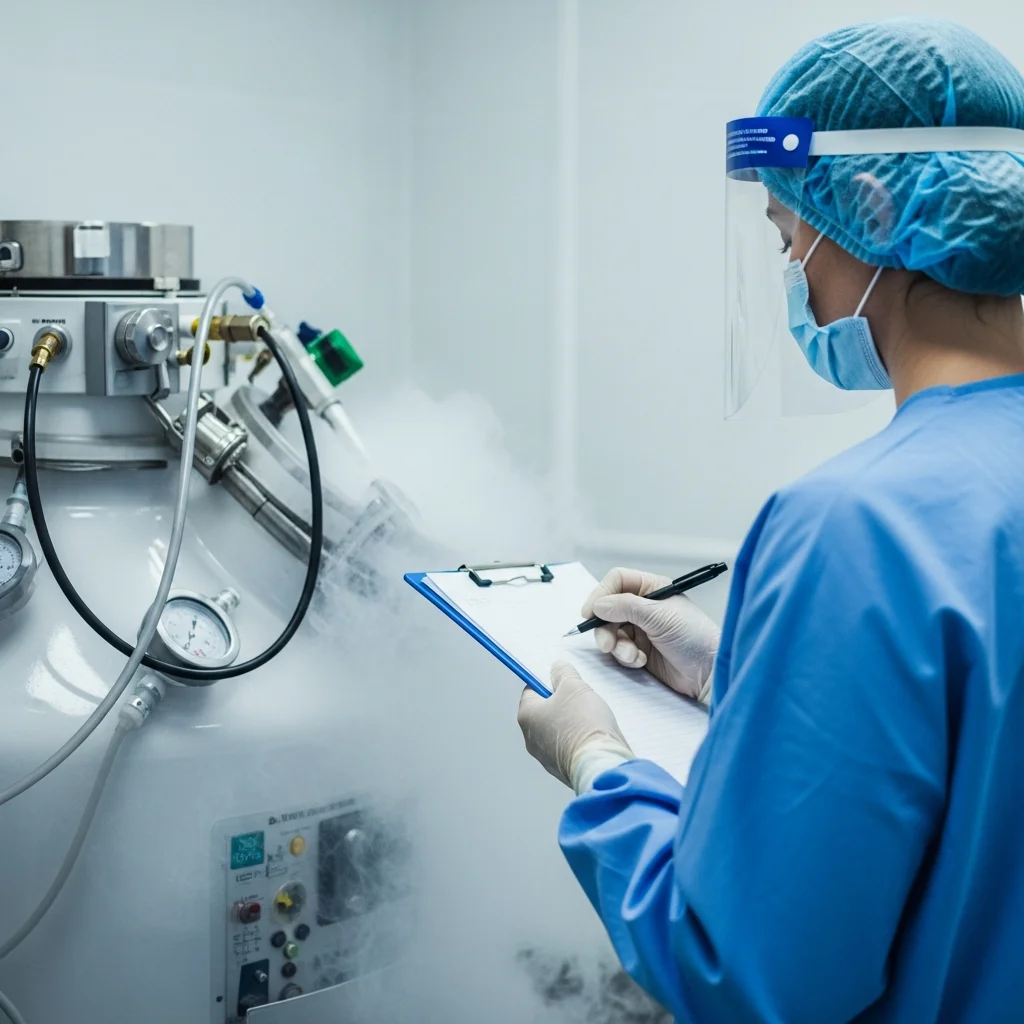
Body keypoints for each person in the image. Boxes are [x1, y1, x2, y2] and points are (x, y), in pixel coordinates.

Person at [518, 18, 1024, 1023]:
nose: (790, 265)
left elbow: (755, 978)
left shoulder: (858, 526)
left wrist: (598, 763)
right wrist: (737, 677)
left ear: (869, 205)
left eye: (786, 232)